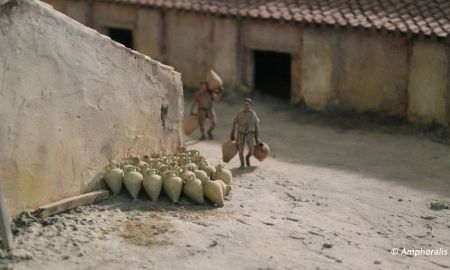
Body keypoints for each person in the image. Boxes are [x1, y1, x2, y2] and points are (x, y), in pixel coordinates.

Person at [230, 98, 260, 168]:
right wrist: (232, 133)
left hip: (250, 134)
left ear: (250, 105)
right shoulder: (240, 113)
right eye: (244, 104)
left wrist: (257, 137)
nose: (246, 106)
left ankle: (247, 157)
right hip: (240, 133)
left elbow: (257, 126)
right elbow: (234, 123)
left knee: (252, 150)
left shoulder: (253, 114)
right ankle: (242, 164)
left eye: (247, 104)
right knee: (240, 151)